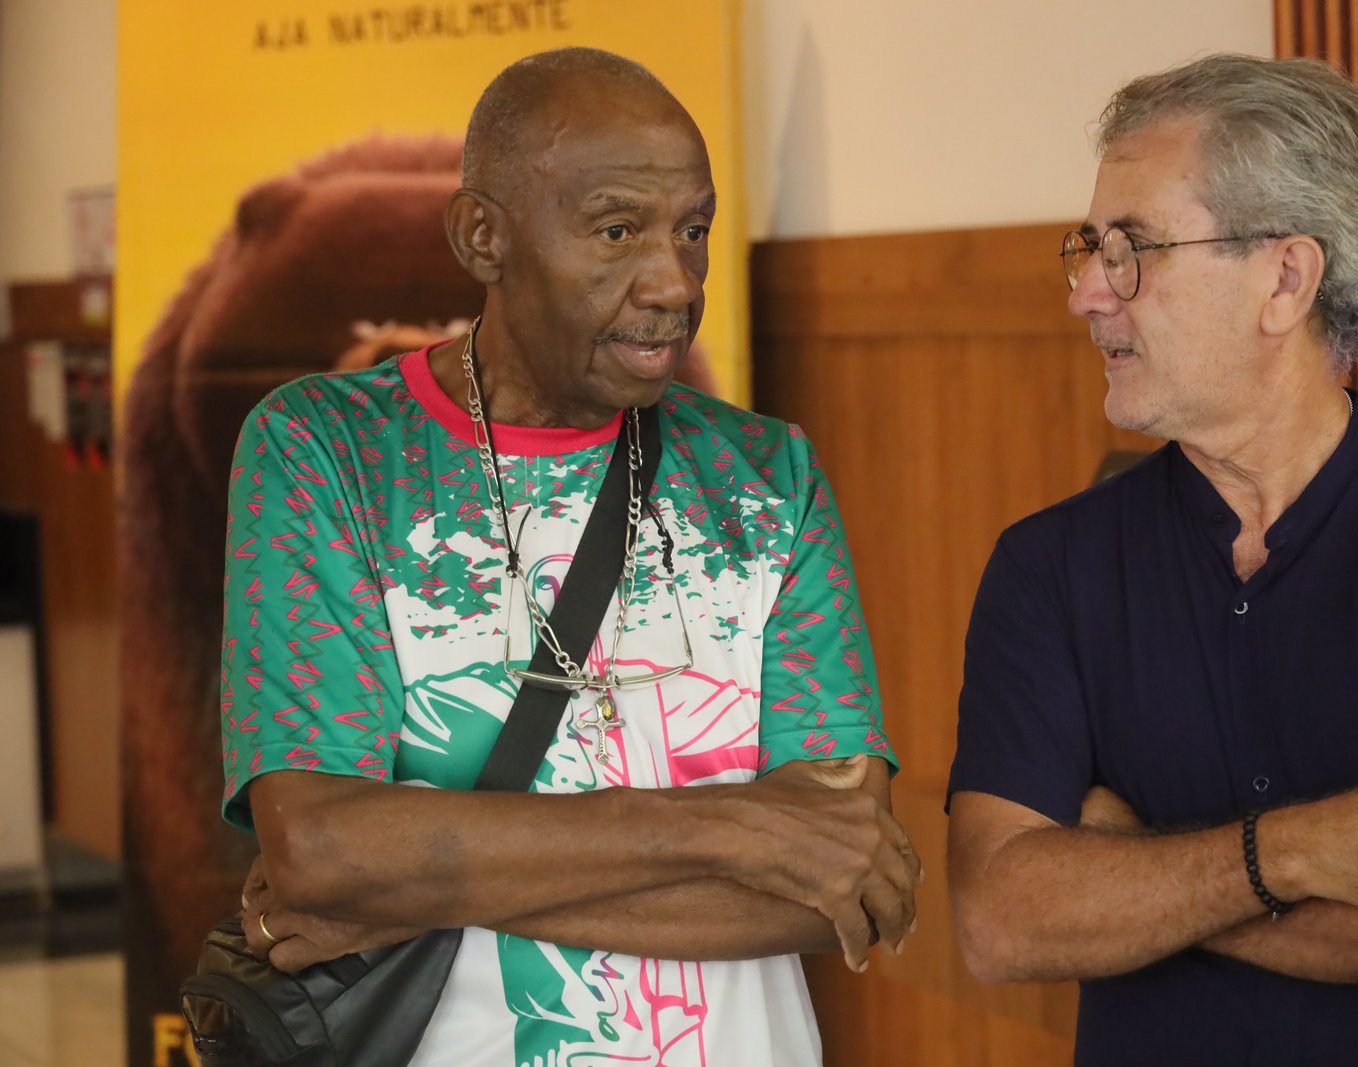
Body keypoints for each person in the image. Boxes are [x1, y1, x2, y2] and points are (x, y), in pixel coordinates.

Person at [220, 47, 919, 1067]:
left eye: (693, 231)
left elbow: (842, 880)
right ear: (484, 236)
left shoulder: (770, 475)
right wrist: (733, 826)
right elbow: (320, 846)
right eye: (617, 230)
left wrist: (415, 881)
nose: (673, 282)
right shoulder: (326, 449)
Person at [947, 53, 1358, 1066]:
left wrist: (1130, 867)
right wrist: (1299, 852)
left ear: (1286, 279)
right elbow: (999, 918)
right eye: (1088, 249)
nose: (1087, 294)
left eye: (1132, 249)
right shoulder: (1048, 565)